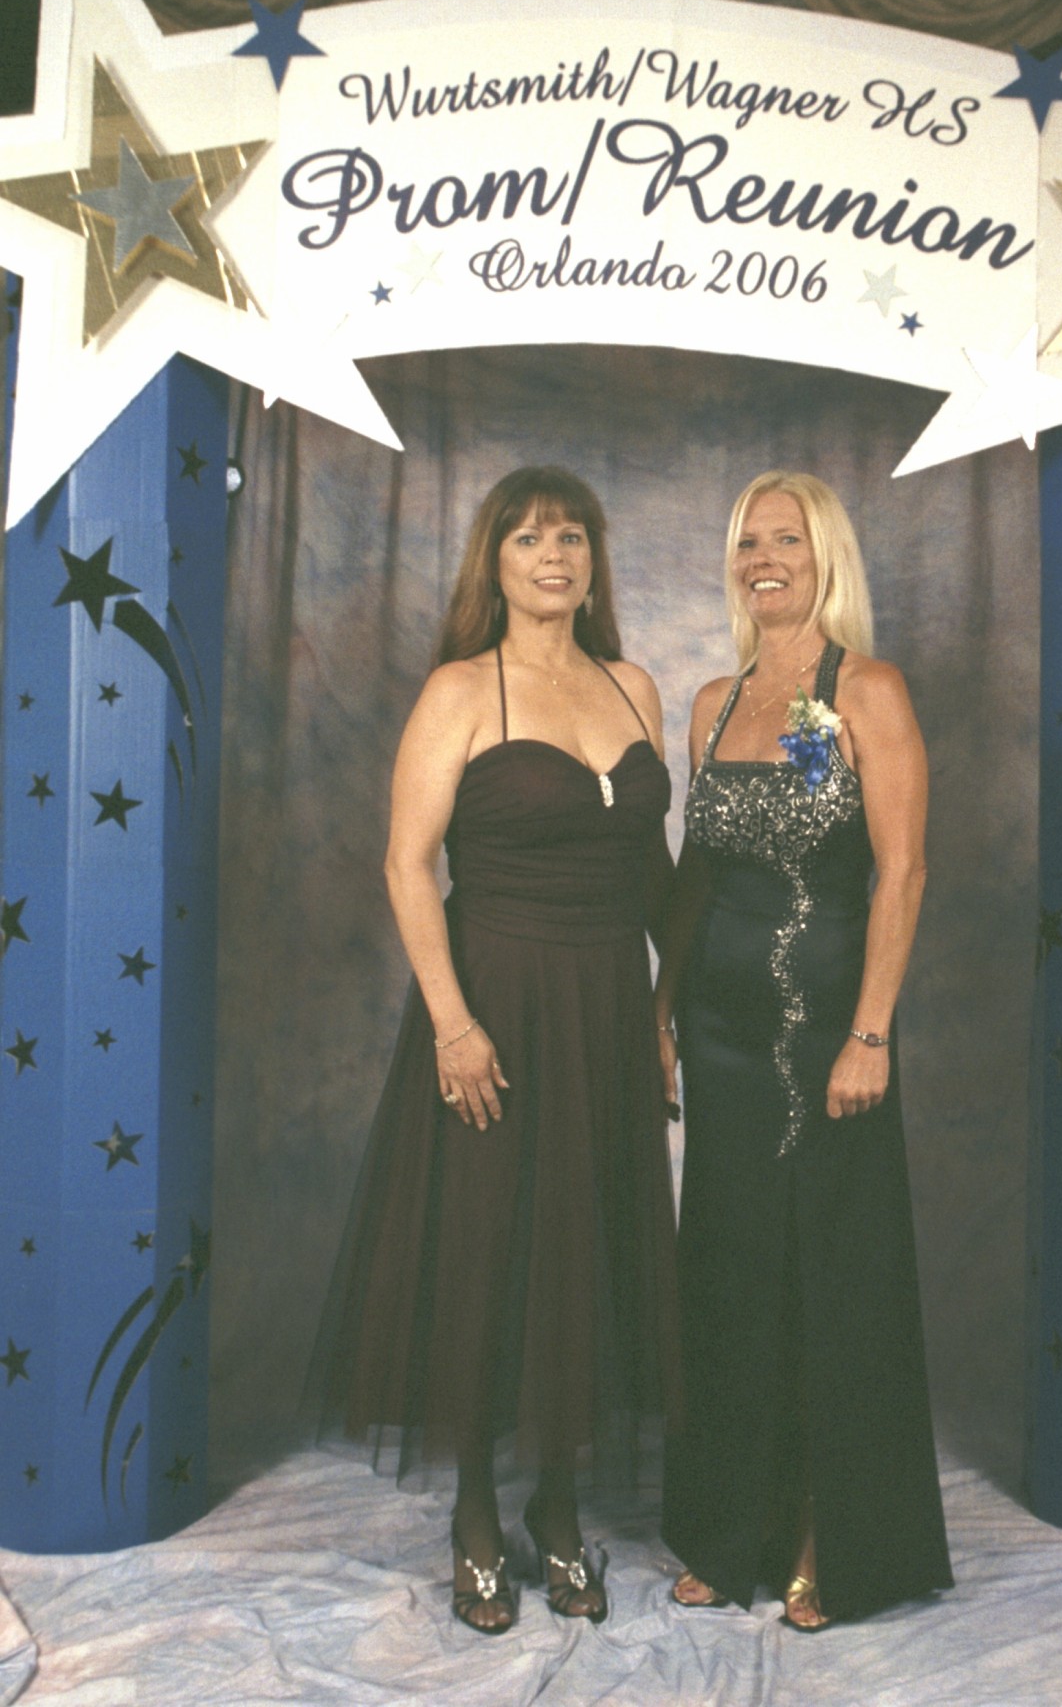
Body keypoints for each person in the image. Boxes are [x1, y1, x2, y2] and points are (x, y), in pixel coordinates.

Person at [312, 466, 680, 1634]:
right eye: (528, 537)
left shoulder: (634, 684)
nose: (553, 555)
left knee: (586, 1238)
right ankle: (476, 1510)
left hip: (609, 1002)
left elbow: (655, 873)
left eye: (572, 535)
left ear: (593, 559)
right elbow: (405, 862)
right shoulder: (462, 688)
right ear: (496, 561)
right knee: (488, 1247)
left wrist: (668, 1008)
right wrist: (453, 1021)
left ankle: (558, 1506)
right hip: (496, 1004)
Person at [656, 470, 953, 1631]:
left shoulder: (865, 690)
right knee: (730, 1275)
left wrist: (871, 1029)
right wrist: (660, 1013)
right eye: (747, 541)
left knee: (834, 1277)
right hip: (720, 1037)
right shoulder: (714, 700)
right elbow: (696, 878)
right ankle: (732, 1530)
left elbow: (902, 870)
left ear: (825, 556)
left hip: (829, 1028)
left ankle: (838, 1538)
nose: (763, 559)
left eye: (786, 538)